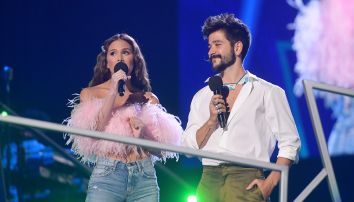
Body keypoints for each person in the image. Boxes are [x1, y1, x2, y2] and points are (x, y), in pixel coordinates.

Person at [182, 13, 301, 202]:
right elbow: (187, 148)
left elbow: (290, 143)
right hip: (208, 179)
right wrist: (211, 121)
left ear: (237, 47)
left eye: (218, 44)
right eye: (209, 46)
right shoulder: (202, 96)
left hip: (245, 178)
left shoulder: (267, 92)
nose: (211, 51)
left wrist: (268, 184)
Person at [64, 33, 183, 202]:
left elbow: (160, 150)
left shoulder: (147, 98)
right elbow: (93, 132)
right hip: (108, 177)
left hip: (144, 177)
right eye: (113, 53)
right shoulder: (91, 94)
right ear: (106, 62)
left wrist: (141, 135)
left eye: (125, 52)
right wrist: (113, 91)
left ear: (134, 60)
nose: (119, 57)